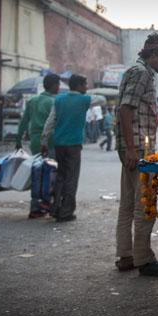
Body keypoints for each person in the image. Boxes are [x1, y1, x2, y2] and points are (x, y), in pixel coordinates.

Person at [115, 33, 158, 276]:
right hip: (138, 148)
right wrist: (132, 148)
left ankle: (126, 255)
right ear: (154, 54)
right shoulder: (141, 73)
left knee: (129, 203)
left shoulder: (137, 70)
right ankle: (144, 259)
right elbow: (126, 109)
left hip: (132, 147)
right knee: (145, 203)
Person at [41, 74, 104, 222]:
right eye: (85, 85)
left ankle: (55, 208)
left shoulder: (59, 99)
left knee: (61, 177)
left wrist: (43, 141)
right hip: (74, 144)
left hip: (59, 143)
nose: (87, 87)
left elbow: (50, 122)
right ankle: (66, 212)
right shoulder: (84, 99)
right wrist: (84, 95)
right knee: (71, 178)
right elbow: (102, 99)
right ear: (79, 86)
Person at [16, 74, 60, 218]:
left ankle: (35, 207)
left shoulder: (32, 101)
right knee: (52, 175)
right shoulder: (54, 101)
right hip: (51, 142)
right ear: (53, 85)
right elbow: (55, 123)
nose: (59, 87)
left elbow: (23, 122)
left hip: (35, 143)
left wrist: (18, 140)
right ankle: (48, 204)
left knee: (37, 174)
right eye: (58, 84)